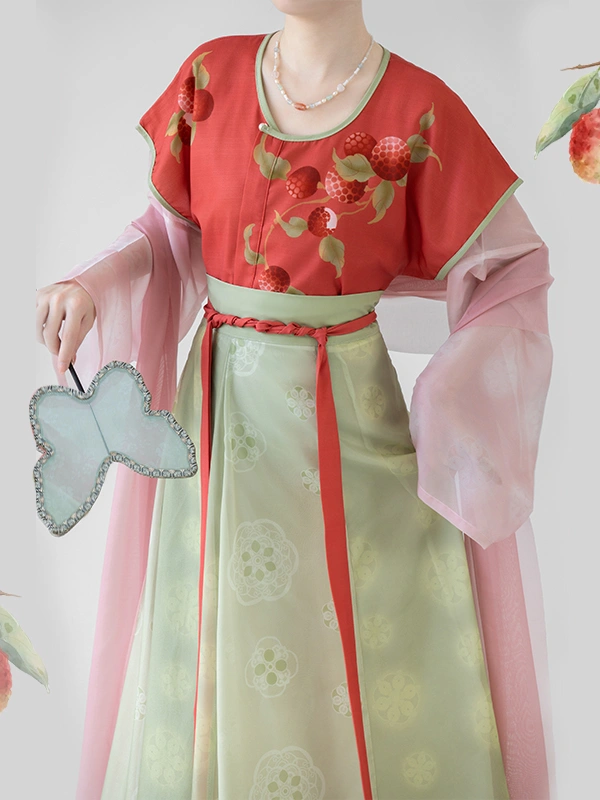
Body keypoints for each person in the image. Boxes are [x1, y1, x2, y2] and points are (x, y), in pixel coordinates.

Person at [36, 2, 557, 798]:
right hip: (221, 422)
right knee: (227, 640)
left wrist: (450, 402)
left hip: (348, 433)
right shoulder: (210, 76)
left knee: (345, 652)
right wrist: (91, 282)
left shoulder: (420, 111)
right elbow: (173, 237)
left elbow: (513, 271)